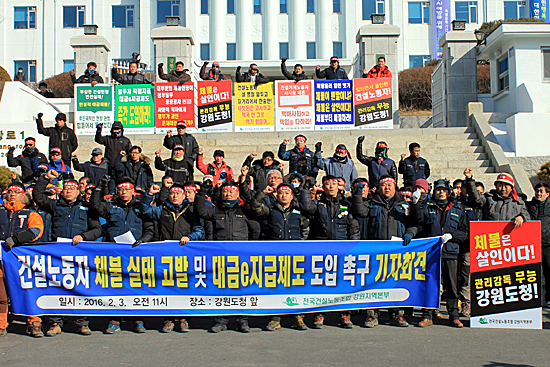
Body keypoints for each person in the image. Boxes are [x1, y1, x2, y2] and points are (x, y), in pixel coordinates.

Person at [33, 170, 101, 336]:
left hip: (80, 255)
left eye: (72, 188)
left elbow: (97, 230)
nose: (69, 191)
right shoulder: (55, 205)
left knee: (81, 288)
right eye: (66, 189)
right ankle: (55, 323)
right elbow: (38, 196)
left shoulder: (87, 208)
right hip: (58, 254)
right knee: (56, 287)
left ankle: (82, 322)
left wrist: (83, 236)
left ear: (79, 191)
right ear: (61, 191)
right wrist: (46, 178)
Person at [351, 175, 417, 328]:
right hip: (376, 251)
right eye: (383, 185)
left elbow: (414, 223)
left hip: (397, 252)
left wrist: (410, 234)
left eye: (390, 185)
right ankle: (372, 314)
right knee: (373, 283)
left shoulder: (404, 205)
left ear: (395, 187)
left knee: (395, 282)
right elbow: (360, 211)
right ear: (378, 188)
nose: (387, 188)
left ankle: (396, 314)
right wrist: (357, 195)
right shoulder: (372, 203)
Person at [90, 177, 155, 334]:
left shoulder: (141, 207)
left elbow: (150, 229)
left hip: (136, 254)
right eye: (120, 189)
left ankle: (138, 319)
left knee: (136, 287)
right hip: (114, 254)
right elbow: (95, 206)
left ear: (133, 191)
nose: (124, 192)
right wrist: (99, 187)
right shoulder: (111, 206)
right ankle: (115, 320)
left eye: (127, 189)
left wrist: (143, 240)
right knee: (115, 288)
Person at [194, 182, 260, 332]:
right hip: (220, 257)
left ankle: (242, 320)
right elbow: (200, 211)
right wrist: (201, 193)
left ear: (237, 195)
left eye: (231, 191)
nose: (228, 194)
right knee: (221, 289)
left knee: (242, 289)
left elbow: (256, 228)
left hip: (241, 257)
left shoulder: (244, 211)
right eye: (225, 191)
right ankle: (221, 321)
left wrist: (250, 246)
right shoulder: (215, 210)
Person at [140, 183, 204, 333]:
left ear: (184, 196)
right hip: (166, 256)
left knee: (185, 286)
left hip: (185, 255)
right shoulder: (162, 210)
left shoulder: (191, 211)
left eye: (178, 194)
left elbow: (199, 230)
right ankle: (168, 319)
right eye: (172, 193)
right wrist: (149, 195)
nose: (175, 196)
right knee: (167, 287)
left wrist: (190, 237)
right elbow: (145, 210)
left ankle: (183, 319)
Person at [302, 175, 360, 328]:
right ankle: (320, 314)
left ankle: (345, 315)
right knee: (322, 283)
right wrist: (306, 188)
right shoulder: (318, 205)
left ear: (339, 186)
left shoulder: (347, 204)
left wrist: (353, 248)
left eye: (334, 184)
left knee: (343, 283)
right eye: (328, 184)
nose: (331, 187)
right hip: (321, 249)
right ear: (324, 187)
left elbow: (353, 227)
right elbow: (306, 207)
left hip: (343, 250)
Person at [251, 182, 308, 331]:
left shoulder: (298, 211)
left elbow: (305, 230)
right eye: (281, 193)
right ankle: (275, 318)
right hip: (275, 254)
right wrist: (263, 193)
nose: (283, 195)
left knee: (296, 286)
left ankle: (298, 317)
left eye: (287, 193)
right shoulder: (270, 210)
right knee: (275, 286)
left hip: (295, 255)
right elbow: (255, 207)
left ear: (291, 196)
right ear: (276, 195)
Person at [414, 179, 469, 328]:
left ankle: (454, 316)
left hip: (450, 252)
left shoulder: (458, 209)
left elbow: (464, 232)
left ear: (449, 192)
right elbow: (419, 222)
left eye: (444, 190)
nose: (441, 192)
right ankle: (427, 315)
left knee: (452, 285)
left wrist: (453, 236)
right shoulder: (427, 207)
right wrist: (416, 204)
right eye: (438, 190)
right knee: (430, 284)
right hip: (432, 253)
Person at [0, 182, 44, 337]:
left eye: (17, 192)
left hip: (23, 262)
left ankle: (34, 323)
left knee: (27, 291)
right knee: (1, 294)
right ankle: (1, 324)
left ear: (23, 196)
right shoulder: (0, 212)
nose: (13, 194)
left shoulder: (31, 213)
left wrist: (16, 239)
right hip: (1, 260)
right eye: (10, 191)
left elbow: (36, 231)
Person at [463, 170, 530, 226]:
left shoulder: (518, 202)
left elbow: (527, 216)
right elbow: (475, 198)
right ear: (496, 186)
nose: (503, 189)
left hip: (510, 239)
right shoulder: (488, 198)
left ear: (511, 188)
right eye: (500, 185)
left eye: (506, 186)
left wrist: (522, 217)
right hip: (492, 236)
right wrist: (469, 180)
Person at [527, 183, 550, 305]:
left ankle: (549, 297)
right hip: (532, 243)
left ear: (547, 194)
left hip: (547, 243)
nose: (538, 194)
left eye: (541, 191)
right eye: (537, 191)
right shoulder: (530, 205)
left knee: (548, 271)